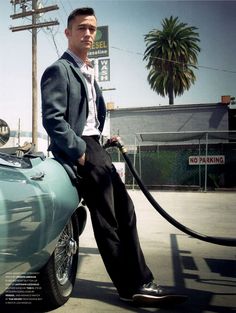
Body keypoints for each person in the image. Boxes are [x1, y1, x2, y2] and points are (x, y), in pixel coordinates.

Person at [41, 7, 186, 306]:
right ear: (68, 33)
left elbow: (90, 118)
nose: (88, 33)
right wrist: (81, 153)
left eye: (92, 28)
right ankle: (131, 286)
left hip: (96, 147)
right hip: (81, 151)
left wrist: (104, 141)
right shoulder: (60, 70)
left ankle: (143, 280)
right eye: (81, 28)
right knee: (108, 219)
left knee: (127, 211)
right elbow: (53, 119)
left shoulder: (89, 72)